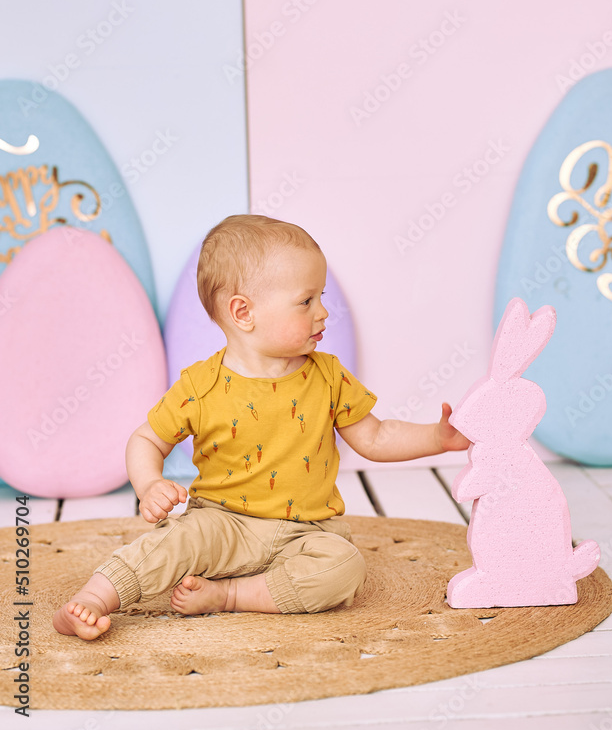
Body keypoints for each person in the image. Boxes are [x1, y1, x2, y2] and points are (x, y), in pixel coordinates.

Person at [53, 215, 469, 639]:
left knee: (344, 567)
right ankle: (91, 599)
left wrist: (437, 438)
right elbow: (146, 438)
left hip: (305, 533)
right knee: (171, 542)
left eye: (321, 296)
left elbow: (376, 437)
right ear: (243, 312)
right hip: (220, 524)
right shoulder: (201, 384)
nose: (324, 312)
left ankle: (229, 595)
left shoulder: (328, 375)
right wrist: (149, 484)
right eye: (306, 301)